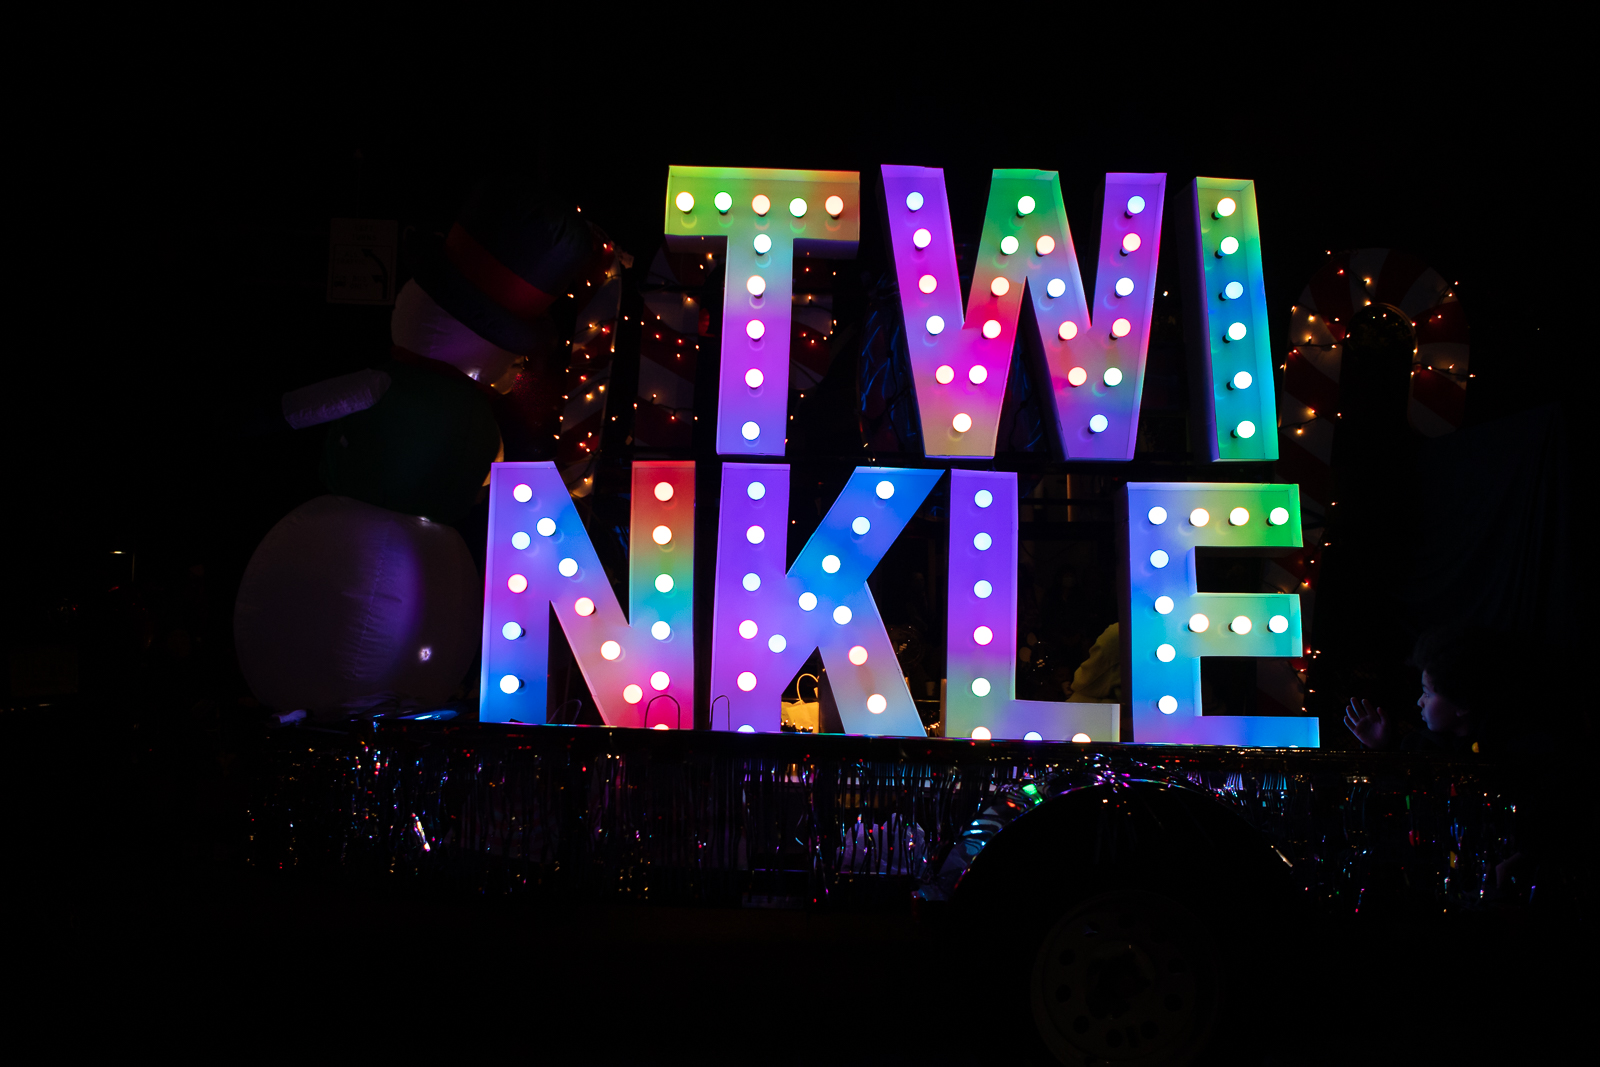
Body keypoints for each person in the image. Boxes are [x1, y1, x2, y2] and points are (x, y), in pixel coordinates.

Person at [1343, 627, 1500, 753]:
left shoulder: (1500, 748)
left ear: (1461, 702)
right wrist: (1377, 749)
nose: (1420, 702)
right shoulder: (1417, 745)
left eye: (1427, 694)